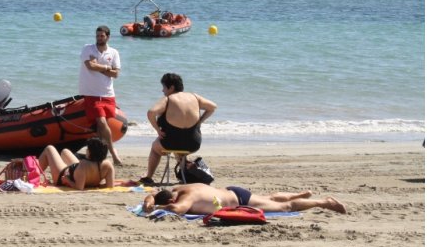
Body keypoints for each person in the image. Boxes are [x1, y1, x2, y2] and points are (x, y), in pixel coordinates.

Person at [139, 73, 217, 186]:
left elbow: (151, 112)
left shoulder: (168, 99)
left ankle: (148, 177)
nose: (162, 90)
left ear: (171, 87)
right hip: (193, 143)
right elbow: (213, 107)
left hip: (170, 143)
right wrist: (200, 122)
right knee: (180, 148)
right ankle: (185, 175)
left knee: (155, 148)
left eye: (164, 87)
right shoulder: (195, 97)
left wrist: (157, 130)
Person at [142, 183, 347, 215]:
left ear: (171, 200)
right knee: (269, 198)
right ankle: (300, 194)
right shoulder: (179, 188)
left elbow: (177, 210)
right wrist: (148, 202)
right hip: (233, 192)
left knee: (285, 207)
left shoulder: (186, 198)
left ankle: (324, 202)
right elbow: (152, 194)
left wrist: (158, 209)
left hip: (240, 201)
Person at [78, 25, 122, 165]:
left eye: (102, 36)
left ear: (108, 37)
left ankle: (99, 154)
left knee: (102, 126)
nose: (99, 38)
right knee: (101, 122)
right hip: (92, 94)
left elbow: (116, 74)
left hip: (108, 94)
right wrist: (107, 68)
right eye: (97, 36)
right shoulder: (88, 49)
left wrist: (99, 67)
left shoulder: (113, 52)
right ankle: (113, 153)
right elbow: (90, 66)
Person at [38, 138, 115, 190]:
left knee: (49, 148)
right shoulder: (108, 165)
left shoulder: (84, 164)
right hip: (78, 172)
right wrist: (96, 185)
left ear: (90, 152)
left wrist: (67, 180)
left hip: (62, 176)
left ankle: (33, 174)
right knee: (65, 151)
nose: (86, 150)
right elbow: (110, 185)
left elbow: (79, 187)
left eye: (88, 149)